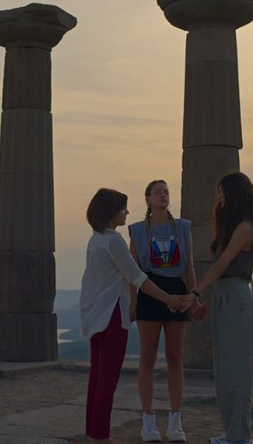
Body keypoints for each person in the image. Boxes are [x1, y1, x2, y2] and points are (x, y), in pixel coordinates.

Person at [80, 188, 192, 444]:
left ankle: (93, 431)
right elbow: (138, 277)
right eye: (123, 208)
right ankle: (100, 437)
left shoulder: (95, 239)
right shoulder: (113, 240)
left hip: (96, 316)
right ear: (111, 211)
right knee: (107, 380)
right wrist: (169, 299)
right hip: (111, 315)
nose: (127, 212)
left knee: (96, 379)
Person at [188, 172, 253, 444]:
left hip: (238, 300)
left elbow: (221, 267)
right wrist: (209, 304)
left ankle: (241, 435)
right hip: (224, 297)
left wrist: (196, 291)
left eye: (222, 192)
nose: (219, 198)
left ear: (235, 194)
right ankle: (231, 432)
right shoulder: (230, 227)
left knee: (238, 372)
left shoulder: (245, 227)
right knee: (223, 372)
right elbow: (222, 275)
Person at [127, 179, 197, 442]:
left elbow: (188, 266)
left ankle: (175, 419)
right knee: (147, 359)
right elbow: (133, 272)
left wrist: (194, 296)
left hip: (177, 292)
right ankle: (147, 420)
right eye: (157, 192)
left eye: (166, 192)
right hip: (149, 290)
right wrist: (133, 303)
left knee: (175, 358)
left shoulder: (182, 227)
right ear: (147, 198)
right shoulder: (136, 230)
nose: (162, 195)